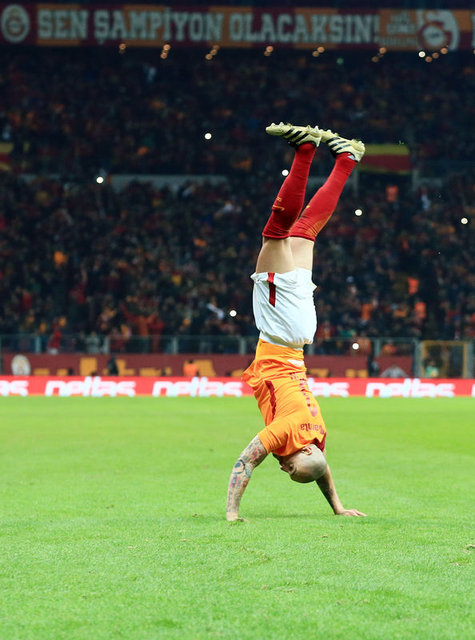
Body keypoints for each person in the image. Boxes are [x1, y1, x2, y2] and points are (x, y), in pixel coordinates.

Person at [226, 122, 367, 521]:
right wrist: (233, 512)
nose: (284, 468)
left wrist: (338, 507)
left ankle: (346, 159)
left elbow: (320, 468)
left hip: (300, 333)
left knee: (305, 232)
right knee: (276, 234)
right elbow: (245, 462)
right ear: (303, 451)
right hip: (282, 330)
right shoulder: (287, 434)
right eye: (291, 467)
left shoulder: (316, 436)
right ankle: (305, 150)